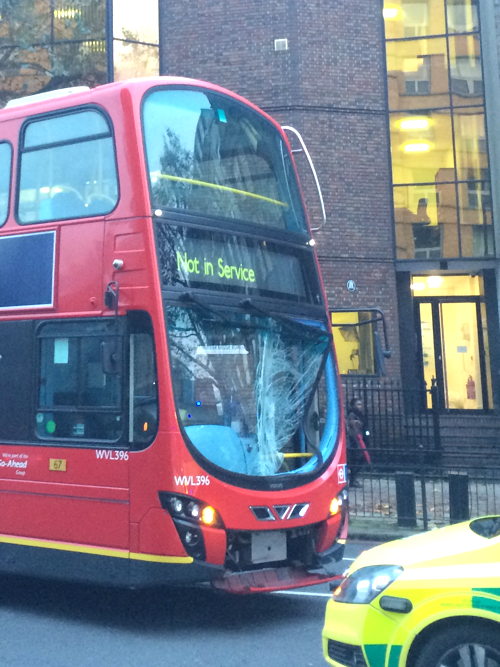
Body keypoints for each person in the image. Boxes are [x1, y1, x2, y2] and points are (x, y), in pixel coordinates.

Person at [346, 397, 371, 487]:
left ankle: (353, 478)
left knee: (359, 460)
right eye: (358, 404)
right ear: (353, 405)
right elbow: (353, 427)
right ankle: (352, 479)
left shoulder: (360, 415)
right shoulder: (353, 415)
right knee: (356, 460)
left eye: (360, 404)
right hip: (355, 441)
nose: (360, 406)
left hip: (360, 440)